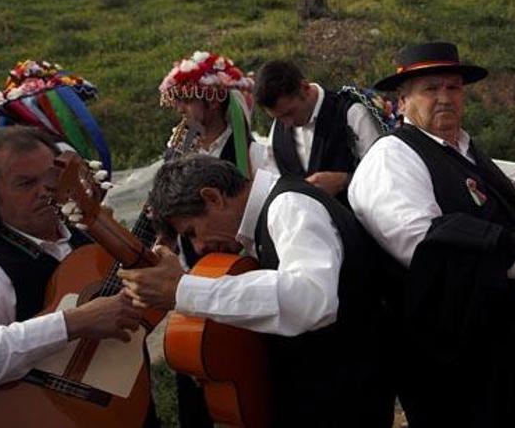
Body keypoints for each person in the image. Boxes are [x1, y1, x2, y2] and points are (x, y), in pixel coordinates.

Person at [349, 41, 515, 427]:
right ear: (401, 102)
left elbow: (496, 188)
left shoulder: (462, 146)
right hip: (450, 358)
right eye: (430, 89)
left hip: (501, 346)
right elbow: (422, 245)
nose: (444, 98)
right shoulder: (391, 158)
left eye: (453, 88)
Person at [117, 154, 393, 426]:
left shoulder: (290, 207)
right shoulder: (271, 214)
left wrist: (183, 290)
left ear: (213, 197)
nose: (198, 246)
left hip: (346, 402)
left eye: (192, 232)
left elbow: (310, 298)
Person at [158, 50, 271, 427]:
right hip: (196, 274)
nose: (184, 110)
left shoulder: (254, 151)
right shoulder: (181, 151)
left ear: (213, 98)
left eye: (189, 99)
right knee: (194, 366)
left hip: (239, 271)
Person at [0, 127, 142, 386]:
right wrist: (74, 322)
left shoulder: (91, 228)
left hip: (126, 400)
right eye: (26, 183)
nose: (46, 190)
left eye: (52, 176)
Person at [254, 59, 385, 203]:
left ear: (304, 87)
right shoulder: (277, 130)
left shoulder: (351, 114)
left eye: (289, 113)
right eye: (278, 118)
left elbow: (383, 175)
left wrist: (344, 181)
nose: (287, 123)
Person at [159, 50, 268, 178]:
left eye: (188, 101)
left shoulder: (252, 154)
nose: (180, 110)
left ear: (213, 102)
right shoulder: (179, 146)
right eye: (178, 101)